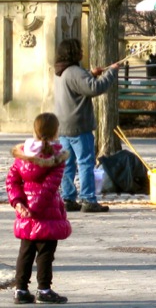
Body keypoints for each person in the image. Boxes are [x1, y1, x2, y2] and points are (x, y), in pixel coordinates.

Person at [6, 113, 72, 304]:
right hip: (46, 213)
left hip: (25, 213)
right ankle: (44, 289)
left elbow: (12, 180)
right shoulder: (57, 157)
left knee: (25, 252)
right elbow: (50, 187)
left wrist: (19, 204)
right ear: (55, 132)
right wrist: (34, 209)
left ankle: (21, 290)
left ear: (34, 130)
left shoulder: (23, 155)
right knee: (45, 254)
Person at [54, 38, 120, 213]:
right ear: (73, 53)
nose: (82, 52)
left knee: (67, 164)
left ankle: (67, 198)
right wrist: (111, 73)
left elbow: (79, 84)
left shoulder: (61, 71)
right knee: (85, 163)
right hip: (79, 126)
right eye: (80, 50)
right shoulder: (75, 71)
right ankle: (88, 199)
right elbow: (95, 88)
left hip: (62, 126)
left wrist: (90, 73)